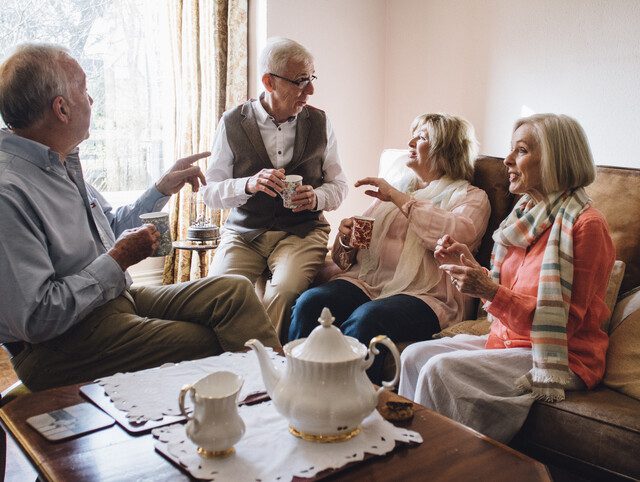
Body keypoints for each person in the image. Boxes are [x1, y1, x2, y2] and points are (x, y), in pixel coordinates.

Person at [0, 43, 280, 391]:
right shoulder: (9, 191)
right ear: (61, 109)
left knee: (234, 292)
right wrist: (117, 259)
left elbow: (107, 227)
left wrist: (161, 188)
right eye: (85, 91)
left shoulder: (59, 163)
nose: (92, 100)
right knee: (203, 342)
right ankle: (260, 415)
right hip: (55, 346)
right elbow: (39, 317)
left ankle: (279, 402)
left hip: (112, 302)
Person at [399, 114, 615, 443]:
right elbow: (506, 291)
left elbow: (565, 323)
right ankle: (413, 455)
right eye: (510, 150)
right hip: (511, 340)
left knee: (439, 370)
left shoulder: (585, 226)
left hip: (560, 354)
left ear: (556, 159)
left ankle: (443, 466)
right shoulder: (526, 215)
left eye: (522, 151)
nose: (508, 161)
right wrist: (471, 267)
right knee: (413, 356)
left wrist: (489, 290)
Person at [288, 113, 490, 384]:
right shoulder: (397, 189)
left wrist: (399, 198)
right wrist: (347, 238)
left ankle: (344, 399)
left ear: (447, 149)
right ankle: (295, 385)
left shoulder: (470, 197)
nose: (410, 142)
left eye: (421, 137)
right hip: (369, 283)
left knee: (368, 319)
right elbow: (353, 251)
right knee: (309, 303)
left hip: (426, 296)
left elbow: (454, 236)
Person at [201, 37, 348, 338]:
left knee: (283, 291)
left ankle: (269, 369)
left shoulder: (320, 122)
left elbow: (340, 185)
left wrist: (316, 197)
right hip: (244, 233)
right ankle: (229, 365)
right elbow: (210, 192)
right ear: (269, 82)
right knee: (218, 293)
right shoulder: (232, 122)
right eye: (300, 81)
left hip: (302, 233)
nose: (311, 90)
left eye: (311, 78)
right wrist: (248, 184)